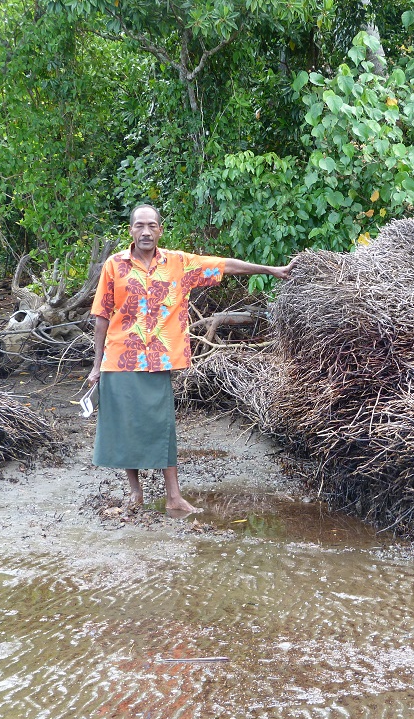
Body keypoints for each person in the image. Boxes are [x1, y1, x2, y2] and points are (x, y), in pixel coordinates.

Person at [86, 204, 294, 513]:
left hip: (159, 361)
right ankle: (135, 493)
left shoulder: (178, 263)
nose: (145, 231)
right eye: (139, 225)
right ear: (130, 230)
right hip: (119, 360)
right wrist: (95, 365)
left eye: (151, 225)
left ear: (160, 229)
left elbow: (225, 265)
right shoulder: (114, 266)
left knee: (162, 426)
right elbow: (101, 316)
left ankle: (173, 497)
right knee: (125, 427)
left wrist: (270, 270)